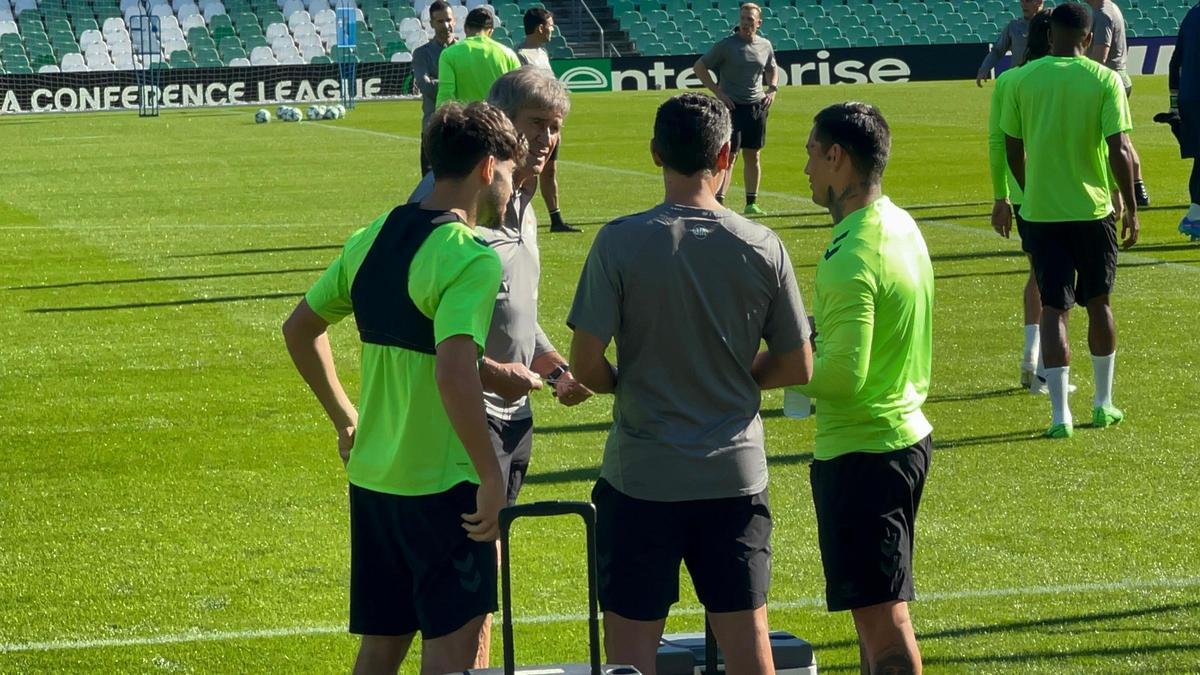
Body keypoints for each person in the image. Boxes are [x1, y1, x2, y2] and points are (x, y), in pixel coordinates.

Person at [567, 93, 813, 675]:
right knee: (749, 645)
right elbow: (799, 365)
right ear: (727, 153)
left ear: (655, 153)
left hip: (642, 477)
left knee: (630, 657)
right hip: (733, 476)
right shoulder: (761, 245)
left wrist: (624, 382)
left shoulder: (621, 241)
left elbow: (583, 364)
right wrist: (742, 373)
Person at [282, 102, 525, 675]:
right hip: (443, 490)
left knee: (381, 647)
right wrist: (491, 475)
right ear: (488, 167)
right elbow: (451, 370)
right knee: (451, 650)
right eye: (512, 174)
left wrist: (346, 418)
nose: (513, 188)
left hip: (374, 480)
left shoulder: (369, 238)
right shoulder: (470, 258)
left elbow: (300, 330)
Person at [791, 102, 934, 675]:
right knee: (875, 617)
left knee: (885, 627)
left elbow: (842, 377)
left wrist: (762, 367)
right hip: (897, 439)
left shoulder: (852, 254)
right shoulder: (899, 224)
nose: (804, 168)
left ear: (836, 157)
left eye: (809, 152)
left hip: (864, 452)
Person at [1001, 2, 1139, 438]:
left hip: (1041, 212)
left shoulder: (1021, 80)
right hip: (1092, 209)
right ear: (1086, 36)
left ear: (1048, 34)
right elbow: (1118, 147)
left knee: (1054, 309)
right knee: (1099, 303)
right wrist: (1131, 205)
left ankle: (1060, 415)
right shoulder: (1105, 79)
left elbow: (1011, 146)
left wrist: (1030, 189)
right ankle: (1102, 403)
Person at [988, 10, 1061, 392]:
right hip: (1059, 193)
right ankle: (1045, 369)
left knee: (1040, 273)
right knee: (1057, 281)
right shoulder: (1063, 77)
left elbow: (998, 142)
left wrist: (1000, 195)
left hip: (1021, 193)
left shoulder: (1011, 80)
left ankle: (1031, 358)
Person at [693, 2, 778, 216]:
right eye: (743, 18)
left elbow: (772, 68)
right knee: (728, 156)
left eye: (750, 19)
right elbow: (699, 66)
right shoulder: (726, 45)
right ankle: (719, 200)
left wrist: (773, 89)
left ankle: (751, 203)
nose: (745, 23)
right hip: (732, 107)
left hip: (756, 106)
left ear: (759, 22)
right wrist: (718, 92)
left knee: (754, 155)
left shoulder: (765, 45)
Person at [517, 7, 581, 233]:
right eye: (551, 26)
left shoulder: (542, 53)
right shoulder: (520, 54)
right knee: (526, 170)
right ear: (540, 28)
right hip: (533, 125)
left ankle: (556, 219)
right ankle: (518, 211)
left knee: (550, 170)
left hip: (551, 124)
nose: (553, 31)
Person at [1086, 0, 1151, 207]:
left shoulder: (1102, 14)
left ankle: (1119, 190)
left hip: (1108, 82)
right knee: (1122, 138)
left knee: (1111, 141)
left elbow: (1100, 55)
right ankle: (1137, 187)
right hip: (1120, 79)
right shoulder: (1110, 8)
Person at [436, 7, 521, 108]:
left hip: (465, 120)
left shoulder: (448, 54)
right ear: (491, 32)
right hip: (498, 121)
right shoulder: (509, 54)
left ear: (465, 28)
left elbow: (446, 96)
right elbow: (518, 95)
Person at [412, 0, 457, 176]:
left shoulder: (463, 50)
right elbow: (426, 86)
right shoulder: (422, 53)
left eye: (449, 19)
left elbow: (432, 84)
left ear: (455, 20)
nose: (446, 25)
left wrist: (440, 82)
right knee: (430, 185)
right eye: (440, 21)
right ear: (431, 23)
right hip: (433, 128)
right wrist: (455, 83)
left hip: (461, 128)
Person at [1169, 0, 1200, 238]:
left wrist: (1174, 105)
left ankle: (1195, 215)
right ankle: (1194, 218)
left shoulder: (1192, 15)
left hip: (1189, 97)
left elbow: (1174, 61)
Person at [976, 0, 1043, 87]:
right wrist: (985, 67)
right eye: (1022, 1)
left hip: (1041, 82)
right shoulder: (1014, 26)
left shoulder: (1050, 25)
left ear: (1039, 2)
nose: (1023, 5)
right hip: (1017, 82)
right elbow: (997, 50)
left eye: (1027, 1)